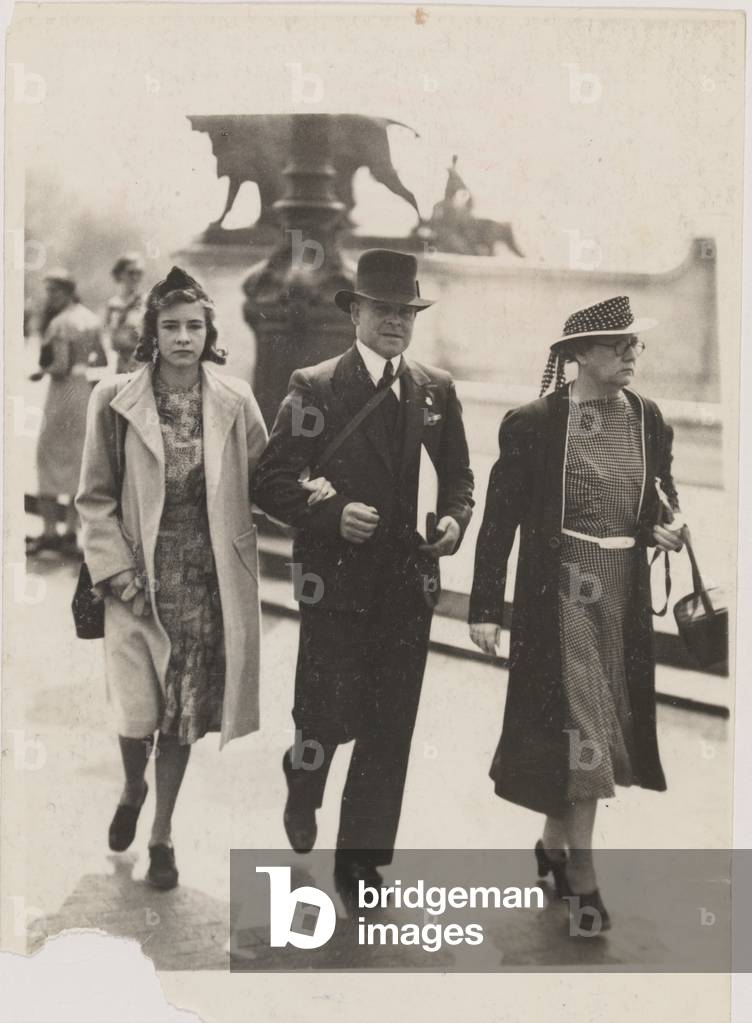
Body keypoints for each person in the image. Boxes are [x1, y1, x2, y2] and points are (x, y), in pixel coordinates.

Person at [252, 249, 474, 897]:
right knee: (326, 712)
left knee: (389, 723)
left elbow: (459, 476)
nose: (396, 323)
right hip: (335, 582)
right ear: (356, 313)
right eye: (383, 310)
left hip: (407, 583)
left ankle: (361, 860)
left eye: (407, 311)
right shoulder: (315, 386)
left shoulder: (435, 389)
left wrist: (455, 521)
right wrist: (330, 514)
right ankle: (304, 777)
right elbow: (270, 480)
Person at [468, 296, 685, 933]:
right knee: (586, 726)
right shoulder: (535, 422)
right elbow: (499, 521)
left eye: (634, 345)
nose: (630, 354)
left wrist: (665, 528)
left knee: (599, 725)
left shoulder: (650, 419)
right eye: (618, 344)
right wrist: (486, 608)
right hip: (563, 596)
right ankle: (582, 876)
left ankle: (552, 844)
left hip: (624, 601)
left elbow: (657, 500)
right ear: (576, 356)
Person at [75, 266, 268, 889]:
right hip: (135, 582)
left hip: (206, 582)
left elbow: (267, 479)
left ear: (209, 331)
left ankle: (161, 834)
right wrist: (117, 572)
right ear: (151, 334)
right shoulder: (114, 398)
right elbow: (93, 498)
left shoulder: (235, 399)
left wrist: (312, 492)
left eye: (194, 326)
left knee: (182, 716)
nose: (183, 337)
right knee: (137, 712)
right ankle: (132, 785)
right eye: (170, 326)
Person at [28, 268, 108, 555]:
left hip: (62, 396)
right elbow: (100, 358)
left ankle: (50, 532)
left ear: (67, 291)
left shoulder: (60, 324)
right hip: (83, 393)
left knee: (47, 457)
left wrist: (40, 371)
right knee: (78, 462)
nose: (51, 296)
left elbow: (59, 366)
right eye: (49, 291)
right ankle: (70, 533)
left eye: (54, 291)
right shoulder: (91, 319)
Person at [103, 252, 145, 373]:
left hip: (142, 363)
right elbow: (109, 337)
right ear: (120, 274)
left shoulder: (146, 302)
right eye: (131, 273)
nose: (135, 277)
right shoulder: (112, 305)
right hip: (121, 363)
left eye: (139, 273)